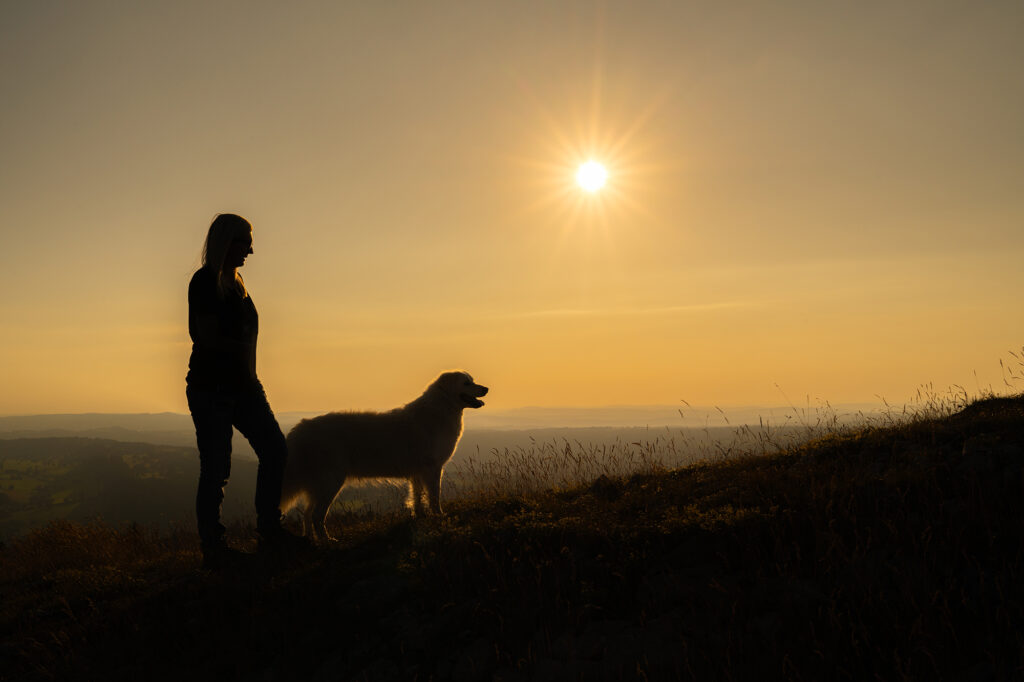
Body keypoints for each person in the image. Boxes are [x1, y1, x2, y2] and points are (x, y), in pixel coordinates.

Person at [186, 213, 308, 568]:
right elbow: (204, 336)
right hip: (212, 389)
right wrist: (239, 349)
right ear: (228, 241)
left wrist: (250, 375)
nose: (251, 250)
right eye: (246, 242)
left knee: (275, 451)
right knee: (216, 468)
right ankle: (214, 548)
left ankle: (269, 531)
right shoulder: (205, 281)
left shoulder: (237, 283)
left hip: (244, 387)